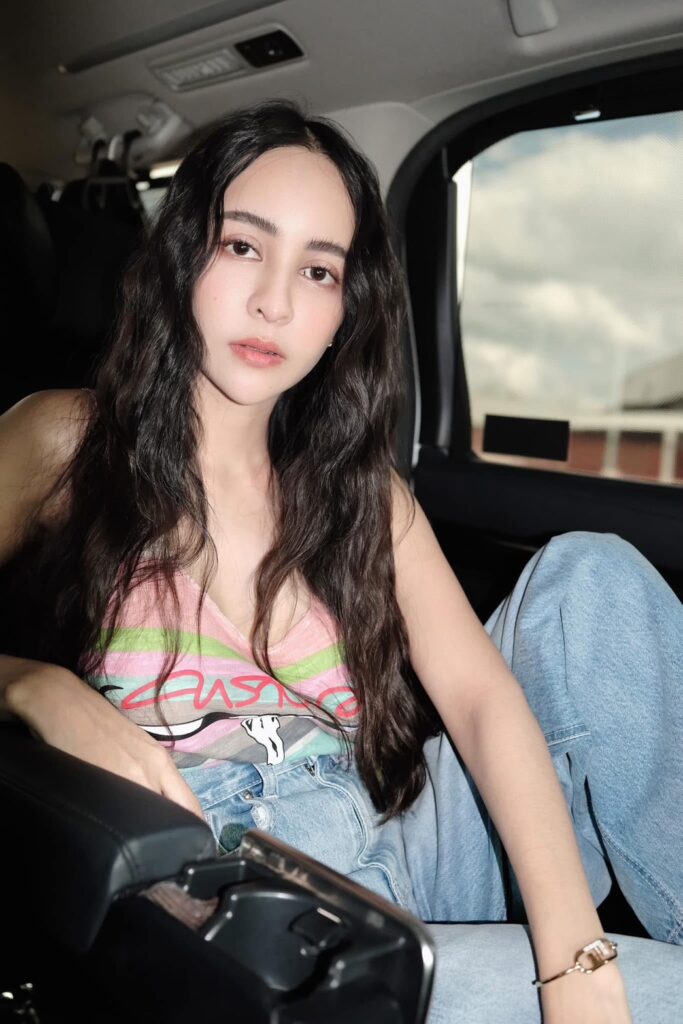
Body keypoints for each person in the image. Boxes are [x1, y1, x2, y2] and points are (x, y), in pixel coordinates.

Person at [0, 100, 681, 1024]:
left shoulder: (361, 493)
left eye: (317, 269)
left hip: (396, 842)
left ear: (343, 310)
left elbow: (480, 700)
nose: (275, 302)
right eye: (243, 246)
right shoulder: (65, 439)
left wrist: (574, 957)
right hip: (232, 902)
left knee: (589, 578)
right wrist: (30, 685)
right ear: (182, 256)